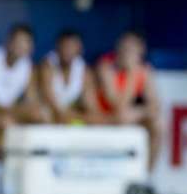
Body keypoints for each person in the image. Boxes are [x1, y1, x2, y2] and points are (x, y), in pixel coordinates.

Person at [0, 24, 44, 194]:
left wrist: (22, 112)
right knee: (1, 120)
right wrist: (11, 113)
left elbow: (32, 101)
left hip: (5, 114)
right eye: (18, 42)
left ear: (31, 47)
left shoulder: (28, 68)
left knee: (39, 115)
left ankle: (27, 174)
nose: (21, 47)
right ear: (8, 42)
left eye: (25, 43)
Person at [96, 31, 161, 170]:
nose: (126, 53)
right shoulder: (106, 67)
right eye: (124, 48)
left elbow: (155, 106)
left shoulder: (145, 70)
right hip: (104, 117)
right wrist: (132, 75)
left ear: (140, 51)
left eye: (131, 49)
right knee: (122, 117)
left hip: (128, 116)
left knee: (158, 125)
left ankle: (146, 175)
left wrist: (138, 113)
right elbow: (117, 106)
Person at [39, 30, 100, 125]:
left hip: (70, 113)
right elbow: (48, 98)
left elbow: (90, 103)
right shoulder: (47, 65)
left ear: (79, 49)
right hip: (51, 112)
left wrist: (94, 116)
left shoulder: (84, 70)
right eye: (65, 46)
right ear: (57, 47)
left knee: (95, 118)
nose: (68, 50)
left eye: (72, 47)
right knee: (44, 114)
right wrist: (65, 114)